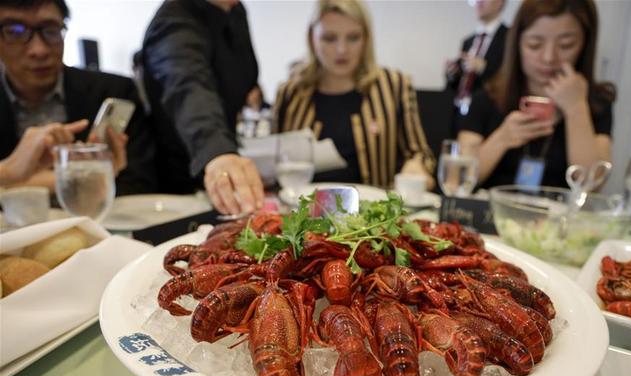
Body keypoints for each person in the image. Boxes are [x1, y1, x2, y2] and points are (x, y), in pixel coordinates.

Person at [274, 0, 435, 190]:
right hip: (302, 212)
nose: (342, 50)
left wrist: (416, 168)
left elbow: (420, 154)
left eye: (353, 37)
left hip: (373, 215)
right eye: (329, 38)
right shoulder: (291, 93)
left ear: (366, 39)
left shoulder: (394, 85)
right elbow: (274, 162)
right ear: (312, 39)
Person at [0, 0, 157, 194]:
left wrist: (11, 181)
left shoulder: (114, 90)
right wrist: (8, 171)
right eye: (14, 32)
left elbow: (141, 180)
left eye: (50, 30)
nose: (39, 50)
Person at [457, 0, 615, 189]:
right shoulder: (486, 98)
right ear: (517, 43)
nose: (548, 58)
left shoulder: (596, 104)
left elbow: (591, 185)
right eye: (534, 45)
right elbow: (458, 180)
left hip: (562, 218)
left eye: (566, 45)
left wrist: (576, 109)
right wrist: (502, 138)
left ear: (585, 44)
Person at [142, 0, 264, 216]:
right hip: (176, 189)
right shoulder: (175, 18)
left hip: (220, 176)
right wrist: (217, 151)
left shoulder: (236, 12)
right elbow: (187, 86)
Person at [445, 0, 509, 114]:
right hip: (461, 110)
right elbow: (460, 84)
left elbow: (510, 77)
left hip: (490, 111)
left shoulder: (509, 37)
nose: (479, 2)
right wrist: (454, 74)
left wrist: (483, 68)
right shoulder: (468, 41)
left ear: (500, 2)